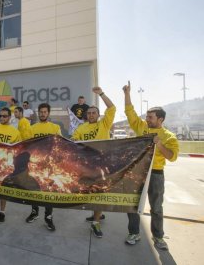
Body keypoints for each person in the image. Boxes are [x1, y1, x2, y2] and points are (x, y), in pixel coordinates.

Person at [123, 81, 179, 250]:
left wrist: (159, 145)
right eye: (146, 116)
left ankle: (158, 237)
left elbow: (172, 157)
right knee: (132, 205)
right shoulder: (141, 127)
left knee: (156, 207)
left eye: (150, 117)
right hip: (138, 172)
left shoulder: (169, 136)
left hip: (155, 174)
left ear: (160, 119)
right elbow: (130, 112)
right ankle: (134, 232)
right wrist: (127, 93)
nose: (146, 119)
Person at [71, 87, 116, 238]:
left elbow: (112, 107)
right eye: (89, 113)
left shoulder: (104, 124)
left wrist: (101, 94)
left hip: (102, 165)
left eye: (93, 113)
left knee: (100, 192)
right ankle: (97, 214)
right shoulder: (81, 127)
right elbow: (74, 142)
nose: (91, 115)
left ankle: (95, 222)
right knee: (90, 192)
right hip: (86, 166)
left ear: (98, 114)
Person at [25, 103, 61, 231]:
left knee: (48, 193)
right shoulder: (32, 128)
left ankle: (48, 217)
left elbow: (59, 147)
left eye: (45, 112)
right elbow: (27, 146)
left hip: (50, 167)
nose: (43, 114)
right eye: (41, 112)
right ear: (38, 113)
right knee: (34, 190)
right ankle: (34, 212)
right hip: (34, 166)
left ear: (48, 113)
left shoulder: (55, 127)